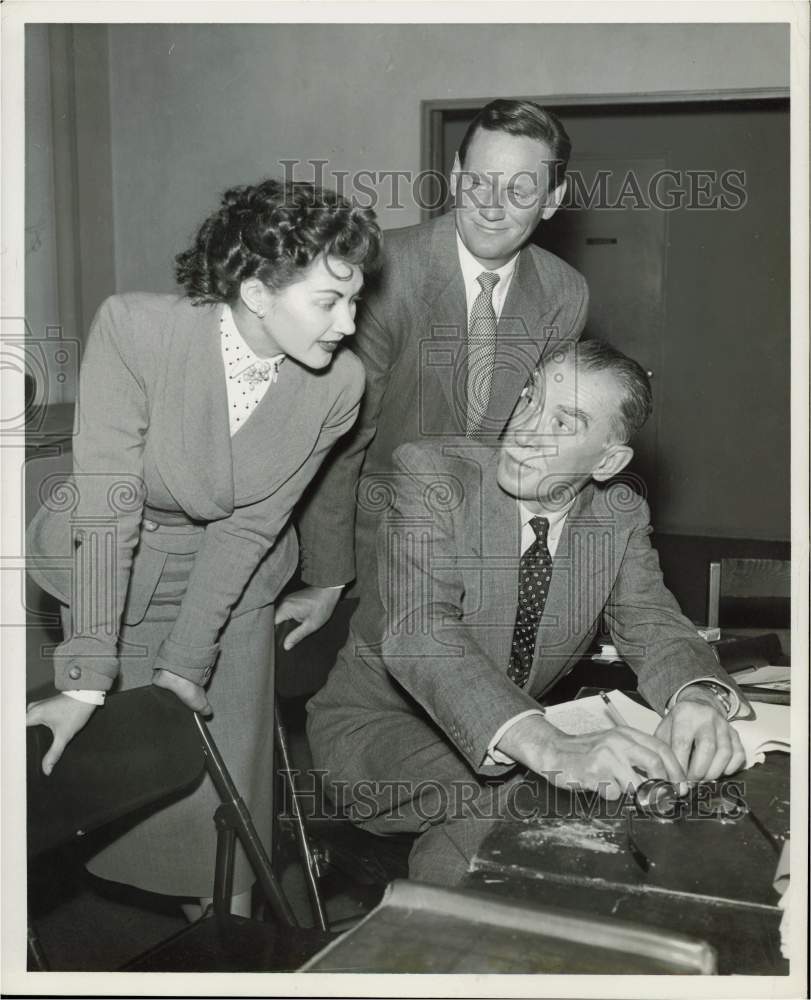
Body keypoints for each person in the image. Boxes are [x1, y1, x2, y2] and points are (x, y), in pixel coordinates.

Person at [25, 179, 381, 915]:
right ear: (256, 291)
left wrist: (189, 661)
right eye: (328, 301)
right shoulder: (136, 329)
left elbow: (249, 526)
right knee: (122, 780)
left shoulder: (338, 384)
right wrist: (87, 674)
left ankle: (230, 943)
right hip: (114, 563)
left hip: (232, 582)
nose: (349, 323)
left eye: (356, 299)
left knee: (227, 808)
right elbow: (110, 501)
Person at [306, 339, 748, 886]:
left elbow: (653, 622)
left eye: (565, 423)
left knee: (583, 799)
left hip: (507, 732)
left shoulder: (618, 512)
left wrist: (696, 695)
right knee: (527, 796)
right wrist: (551, 745)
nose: (526, 431)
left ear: (608, 462)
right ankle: (433, 948)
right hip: (380, 732)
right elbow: (423, 633)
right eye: (530, 400)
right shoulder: (433, 477)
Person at [278, 99, 589, 650]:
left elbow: (540, 445)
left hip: (489, 557)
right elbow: (341, 441)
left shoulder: (565, 292)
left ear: (552, 201)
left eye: (520, 190)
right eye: (480, 184)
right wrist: (327, 578)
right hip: (378, 547)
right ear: (454, 177)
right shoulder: (383, 274)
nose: (493, 207)